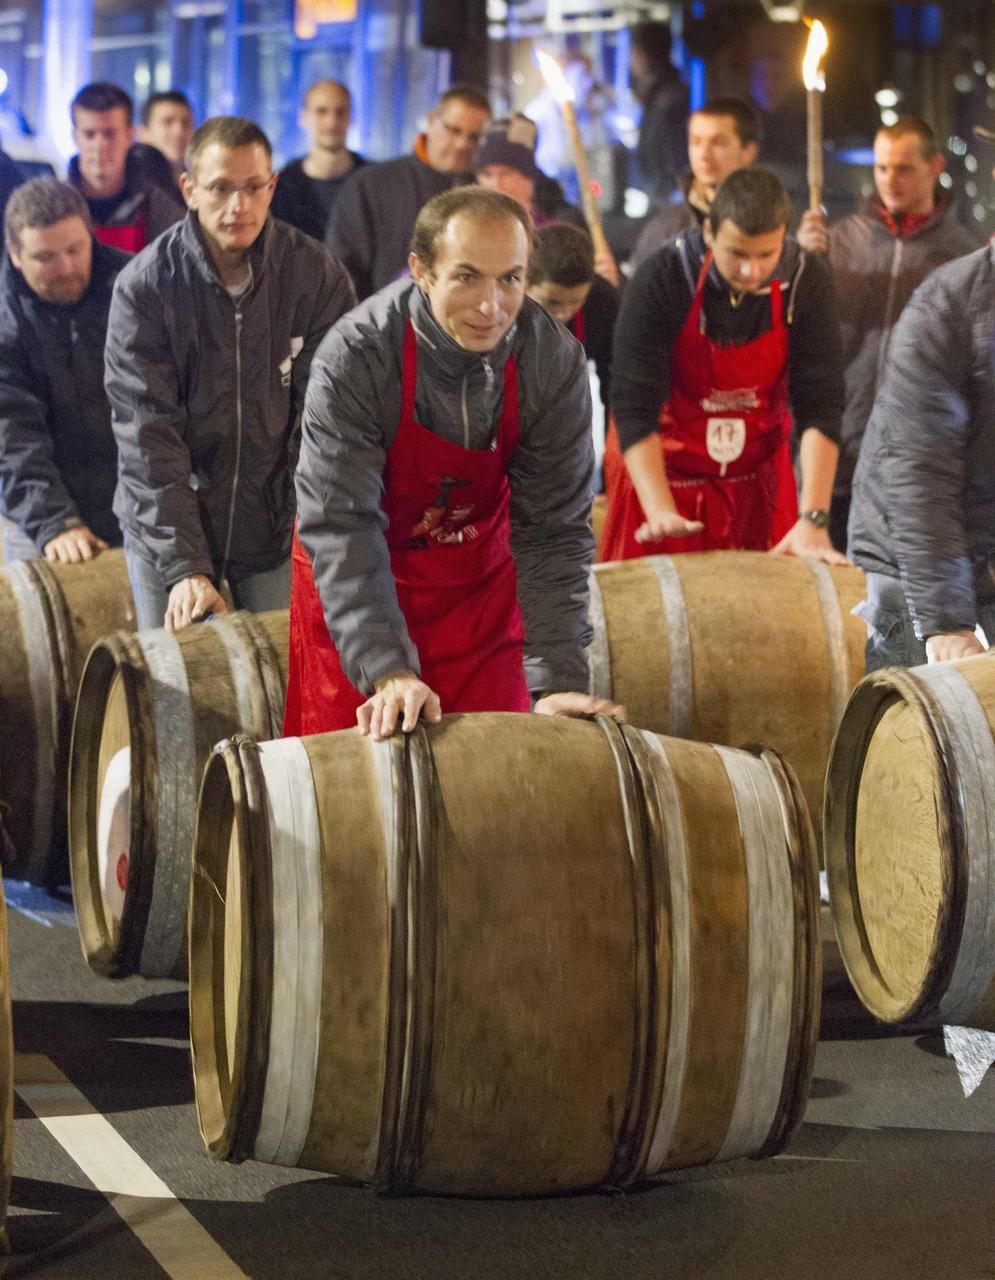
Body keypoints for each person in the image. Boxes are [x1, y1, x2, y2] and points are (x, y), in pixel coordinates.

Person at [285, 186, 620, 741]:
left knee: (494, 784)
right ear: (421, 270)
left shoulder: (550, 360)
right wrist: (386, 669)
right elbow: (342, 523)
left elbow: (552, 532)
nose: (491, 306)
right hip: (361, 591)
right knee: (359, 806)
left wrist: (556, 679)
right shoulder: (358, 355)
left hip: (476, 597)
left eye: (510, 279)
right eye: (467, 277)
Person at [105, 116, 356, 632]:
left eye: (252, 187)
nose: (238, 206)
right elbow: (147, 435)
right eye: (220, 188)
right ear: (189, 189)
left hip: (271, 525)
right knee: (178, 689)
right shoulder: (145, 287)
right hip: (168, 526)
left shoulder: (314, 273)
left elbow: (329, 419)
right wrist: (185, 566)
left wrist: (303, 523)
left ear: (272, 187)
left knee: (279, 689)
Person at [601, 167, 845, 565]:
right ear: (710, 232)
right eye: (737, 253)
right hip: (663, 473)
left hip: (756, 480)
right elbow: (632, 405)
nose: (751, 271)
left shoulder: (806, 281)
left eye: (767, 254)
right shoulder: (663, 277)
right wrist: (660, 511)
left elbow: (821, 404)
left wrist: (814, 519)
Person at [848, 126, 995, 671]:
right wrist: (948, 623)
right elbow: (920, 473)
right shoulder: (948, 305)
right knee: (920, 741)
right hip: (916, 556)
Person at [796, 116, 979, 551]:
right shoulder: (835, 244)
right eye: (881, 168)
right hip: (836, 459)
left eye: (903, 168)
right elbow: (795, 333)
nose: (890, 180)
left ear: (935, 166)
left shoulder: (964, 257)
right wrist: (800, 263)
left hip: (917, 464)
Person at [0, 179, 127, 562]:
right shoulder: (4, 323)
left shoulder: (135, 288)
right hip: (40, 519)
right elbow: (11, 436)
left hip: (139, 511)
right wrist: (55, 521)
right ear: (15, 254)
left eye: (75, 249)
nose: (66, 267)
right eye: (46, 257)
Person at [326, 85, 491, 301]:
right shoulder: (372, 185)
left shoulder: (487, 191)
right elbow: (342, 271)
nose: (462, 144)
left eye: (474, 137)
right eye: (453, 130)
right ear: (431, 121)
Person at [474, 114, 620, 286]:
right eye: (487, 174)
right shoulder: (470, 222)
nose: (496, 184)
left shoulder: (564, 222)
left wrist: (604, 280)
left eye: (506, 173)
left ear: (529, 177)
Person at [631, 97, 761, 271]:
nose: (704, 154)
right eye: (696, 142)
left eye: (718, 143)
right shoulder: (666, 228)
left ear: (748, 151)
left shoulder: (776, 222)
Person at [68, 82, 185, 252]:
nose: (100, 145)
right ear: (75, 137)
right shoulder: (58, 206)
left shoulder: (157, 206)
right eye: (89, 134)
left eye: (109, 134)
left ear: (130, 136)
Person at [527, 221, 618, 419]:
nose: (563, 314)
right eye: (552, 302)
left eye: (576, 302)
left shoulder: (605, 302)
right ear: (525, 283)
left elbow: (615, 385)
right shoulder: (501, 303)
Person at [270, 80, 365, 242]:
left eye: (340, 112)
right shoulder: (281, 187)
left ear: (350, 118)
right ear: (303, 117)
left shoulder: (372, 183)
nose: (331, 122)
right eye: (321, 111)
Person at [629, 21, 689, 207]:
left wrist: (669, 190)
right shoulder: (655, 95)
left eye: (634, 53)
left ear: (646, 55)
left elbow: (673, 154)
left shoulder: (667, 98)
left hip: (665, 197)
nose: (630, 62)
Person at [138, 90, 195, 184]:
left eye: (185, 123)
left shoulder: (200, 187)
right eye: (167, 122)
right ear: (144, 133)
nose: (179, 131)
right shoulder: (130, 189)